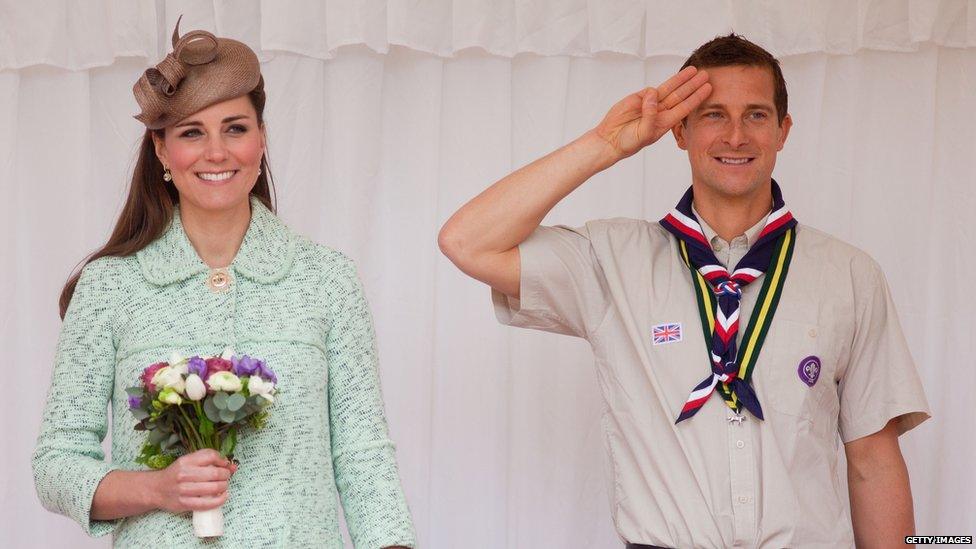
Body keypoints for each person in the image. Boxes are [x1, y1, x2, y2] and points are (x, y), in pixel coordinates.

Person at [439, 34, 931, 548]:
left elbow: (873, 463)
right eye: (714, 114)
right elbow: (467, 242)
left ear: (784, 131)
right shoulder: (611, 260)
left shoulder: (851, 275)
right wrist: (606, 145)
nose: (736, 136)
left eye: (757, 115)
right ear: (680, 130)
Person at [32, 20, 416, 548]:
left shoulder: (327, 279)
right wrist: (157, 489)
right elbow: (56, 462)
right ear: (163, 152)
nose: (217, 152)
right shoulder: (110, 288)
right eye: (192, 132)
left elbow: (363, 452)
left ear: (260, 140)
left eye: (235, 128)